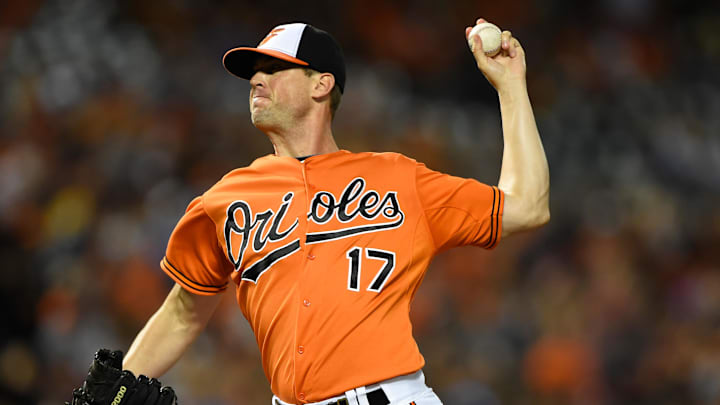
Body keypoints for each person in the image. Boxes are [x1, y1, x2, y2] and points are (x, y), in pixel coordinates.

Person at [122, 19, 549, 405]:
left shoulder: (398, 178)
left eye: (274, 69)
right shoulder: (224, 200)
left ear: (321, 84)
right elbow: (182, 313)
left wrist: (511, 88)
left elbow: (526, 206)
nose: (256, 79)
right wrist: (116, 388)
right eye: (254, 71)